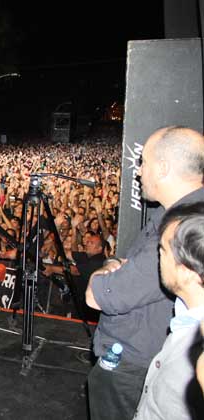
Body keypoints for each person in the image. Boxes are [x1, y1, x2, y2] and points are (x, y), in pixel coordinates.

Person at [85, 126, 204, 420]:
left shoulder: (182, 228)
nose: (138, 171)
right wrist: (114, 266)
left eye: (144, 162)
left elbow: (98, 295)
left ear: (163, 168)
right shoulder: (170, 214)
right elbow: (122, 267)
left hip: (132, 366)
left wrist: (106, 270)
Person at [134, 202, 204, 419]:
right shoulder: (184, 316)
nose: (157, 258)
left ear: (187, 272)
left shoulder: (197, 355)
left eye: (162, 251)